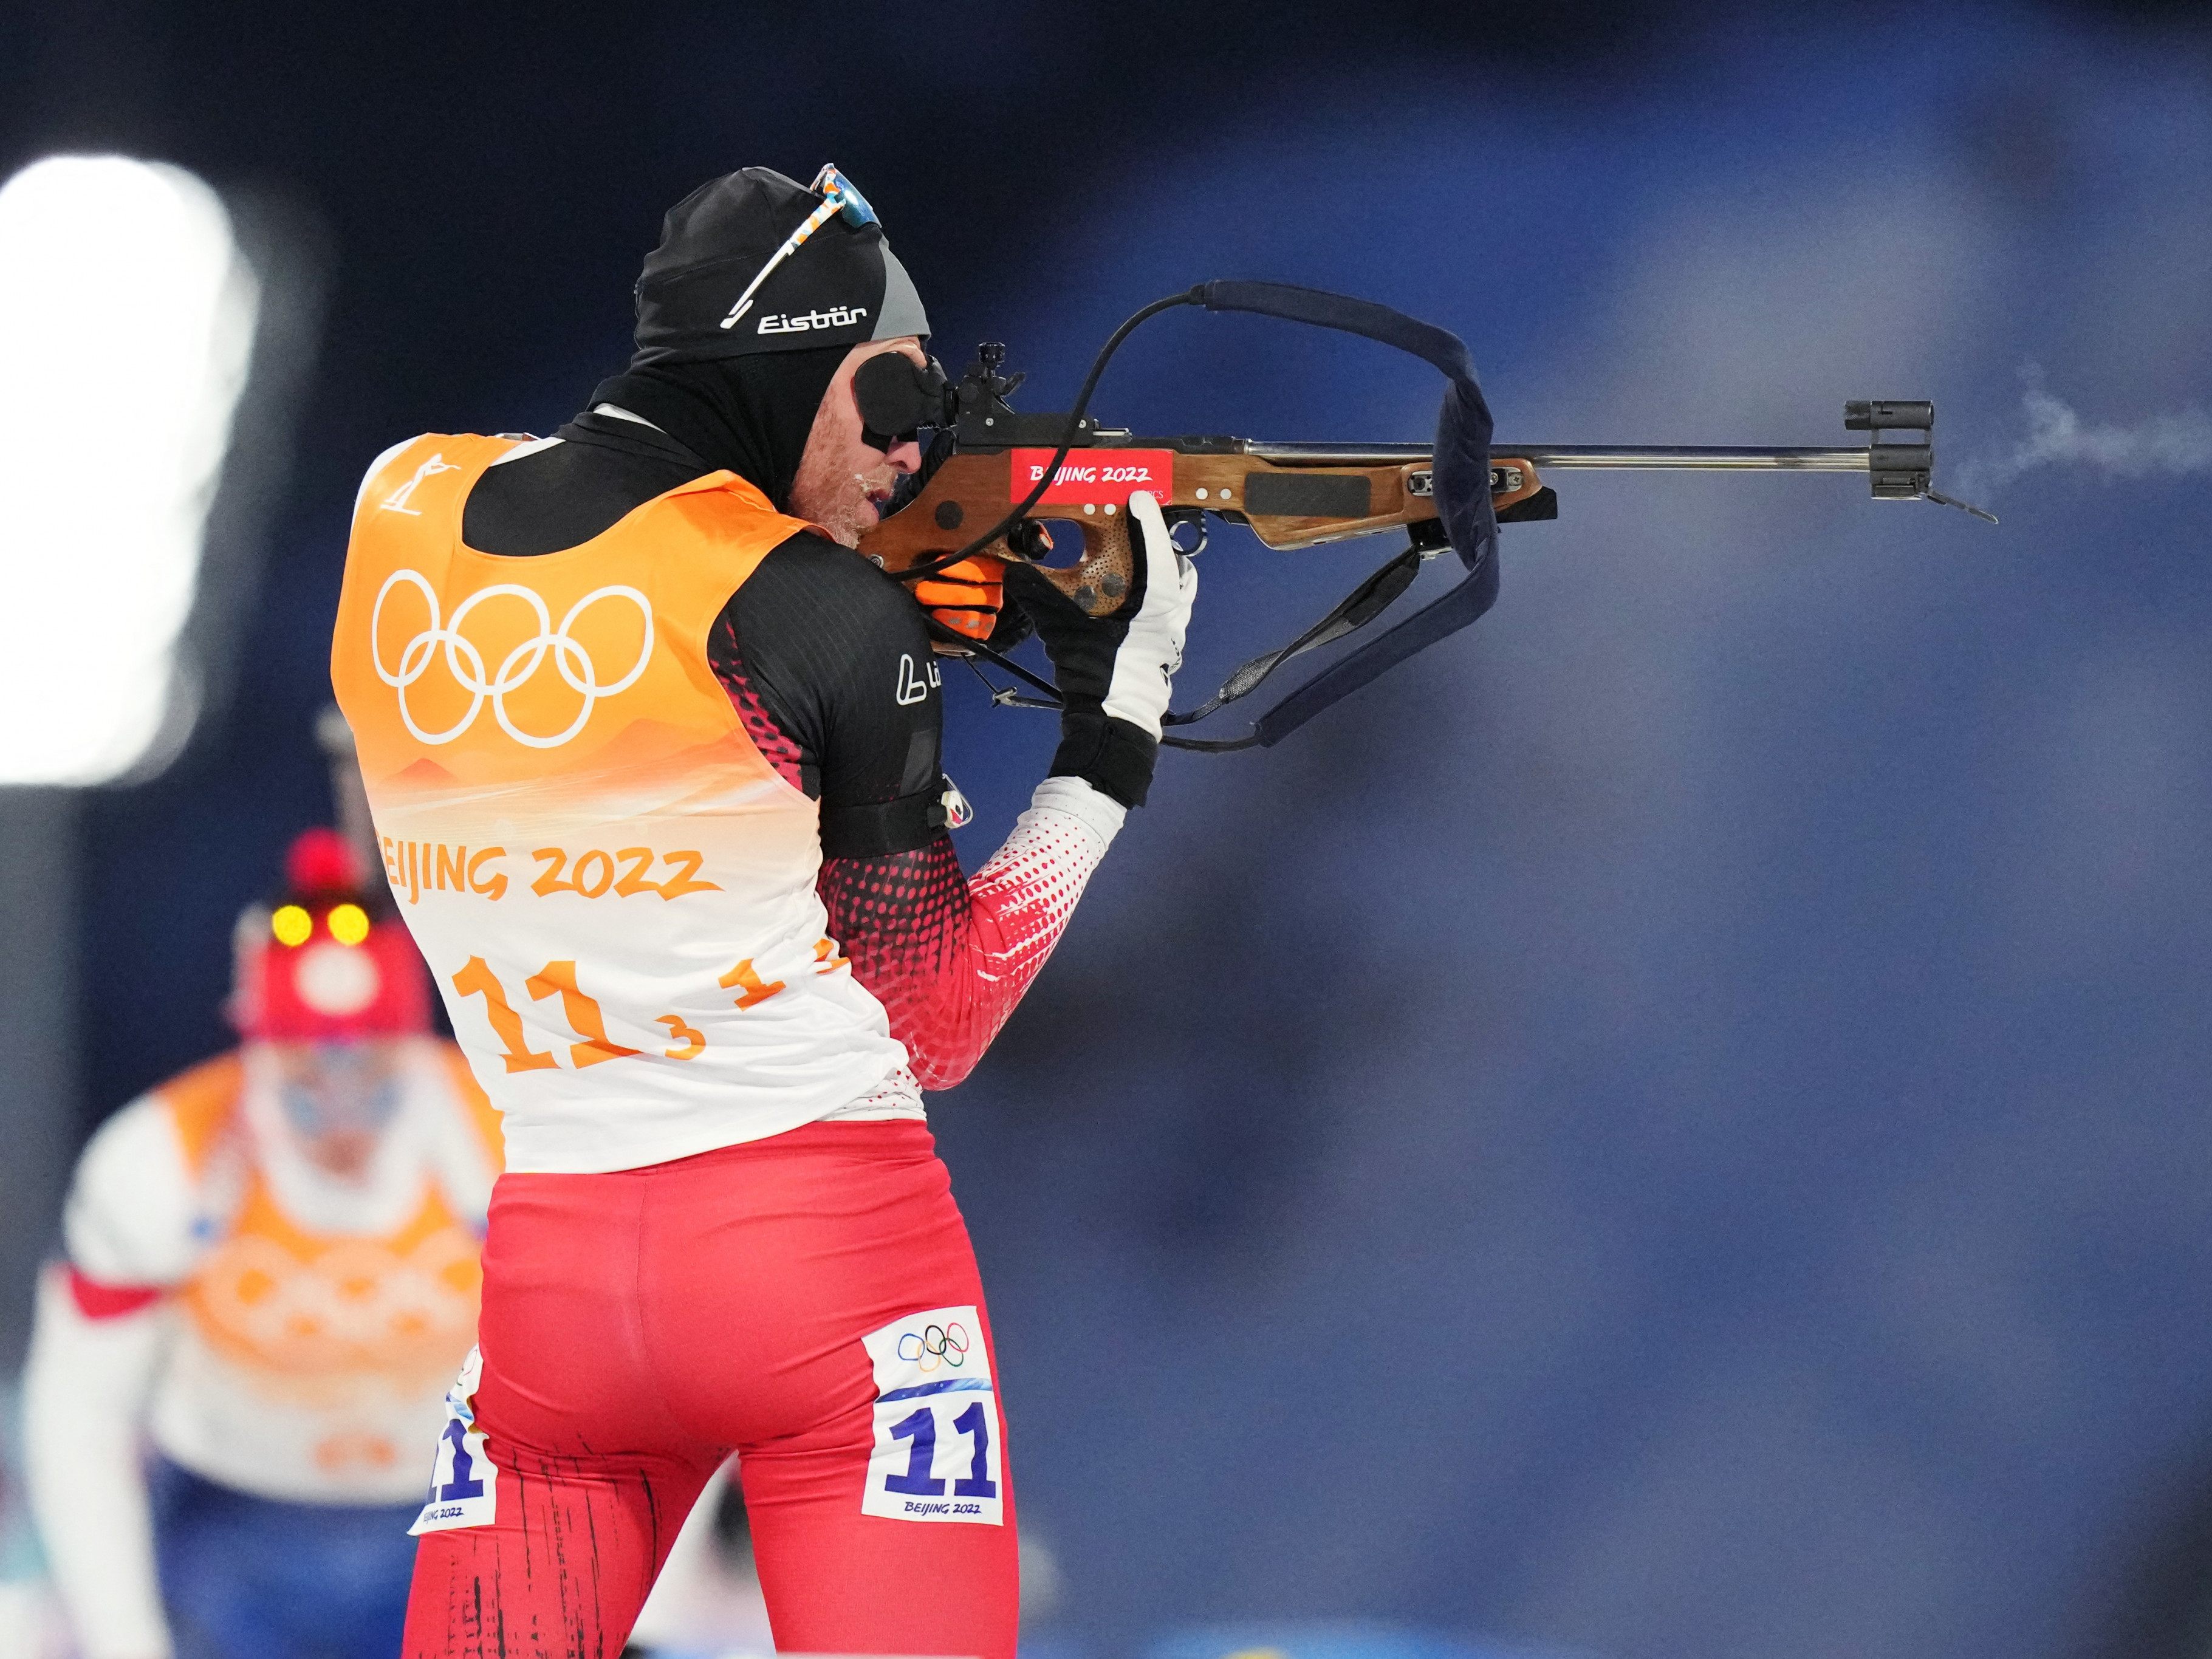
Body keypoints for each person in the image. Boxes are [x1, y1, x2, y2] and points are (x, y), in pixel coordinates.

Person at [328, 162, 1195, 1659]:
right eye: (900, 401)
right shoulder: (818, 612)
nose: (908, 454)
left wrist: (861, 594)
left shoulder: (401, 500)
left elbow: (626, 567)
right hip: (834, 1277)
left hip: (558, 1294)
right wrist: (1108, 743)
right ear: (824, 362)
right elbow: (940, 1014)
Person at [20, 829, 505, 1659]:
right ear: (258, 1041)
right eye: (311, 1080)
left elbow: (643, 1376)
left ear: (412, 1047)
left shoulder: (508, 1143)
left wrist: (638, 1614)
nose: (342, 1111)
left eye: (370, 1073)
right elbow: (79, 1420)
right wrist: (124, 1641)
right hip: (234, 1543)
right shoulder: (162, 1164)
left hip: (460, 1528)